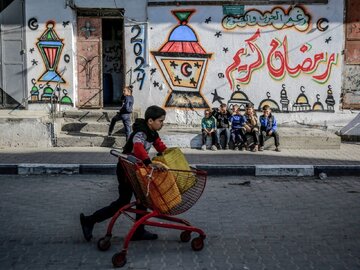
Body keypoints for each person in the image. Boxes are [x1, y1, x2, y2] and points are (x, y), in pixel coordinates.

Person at [80, 105, 167, 242]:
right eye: (160, 121)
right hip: (126, 170)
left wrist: (170, 155)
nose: (162, 123)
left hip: (136, 169)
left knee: (143, 199)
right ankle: (90, 220)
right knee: (123, 202)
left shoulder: (152, 133)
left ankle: (139, 231)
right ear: (150, 121)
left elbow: (161, 146)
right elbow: (138, 148)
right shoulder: (141, 133)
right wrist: (149, 163)